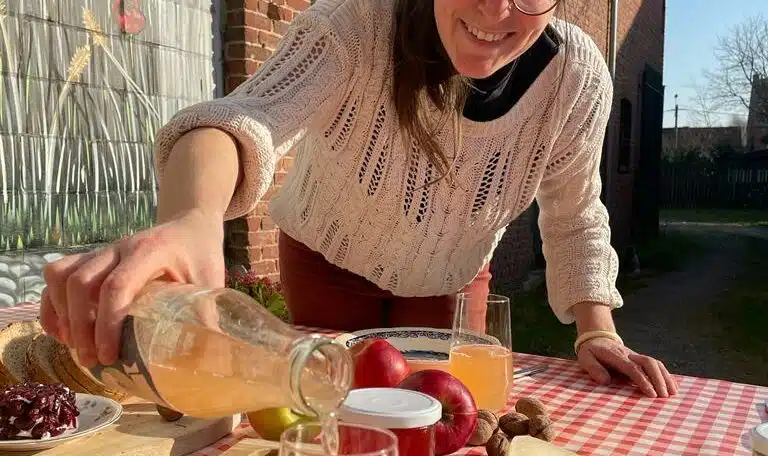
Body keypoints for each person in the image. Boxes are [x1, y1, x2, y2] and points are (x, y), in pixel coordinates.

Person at [40, 0, 678, 398]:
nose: (493, 10)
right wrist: (191, 218)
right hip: (328, 263)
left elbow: (576, 213)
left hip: (451, 282)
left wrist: (597, 330)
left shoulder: (578, 79)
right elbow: (245, 117)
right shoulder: (354, 24)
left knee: (440, 416)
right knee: (326, 404)